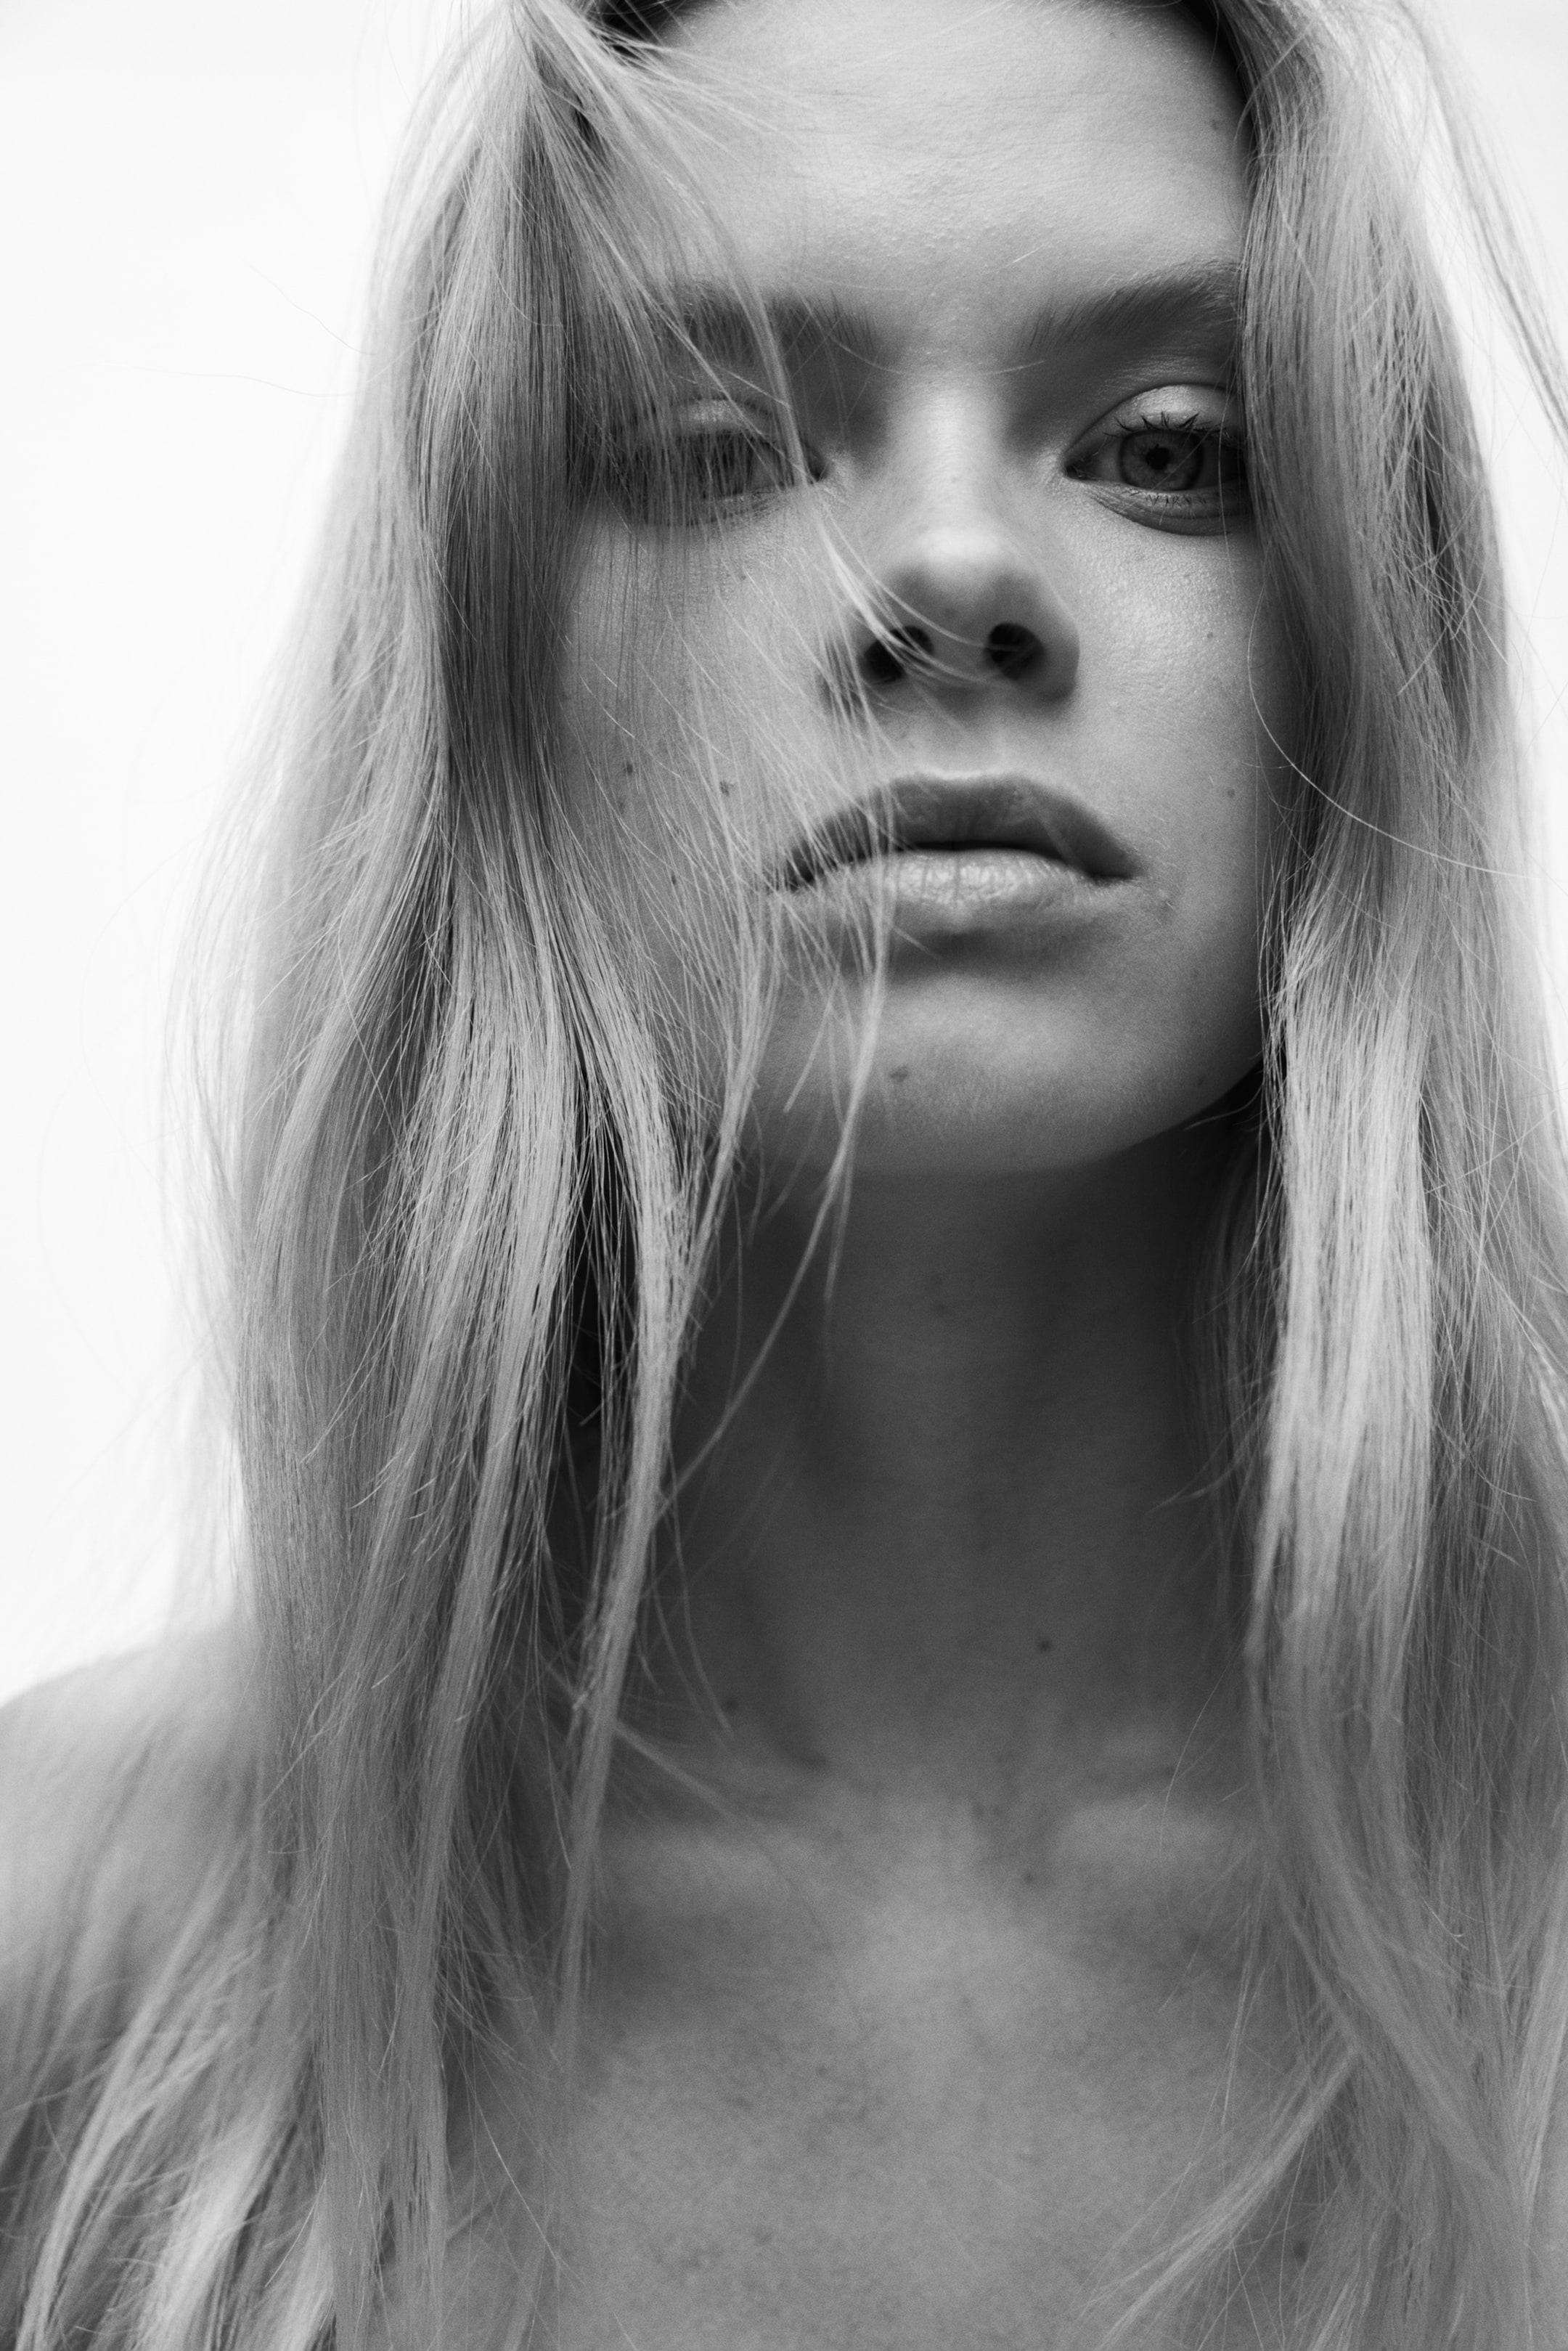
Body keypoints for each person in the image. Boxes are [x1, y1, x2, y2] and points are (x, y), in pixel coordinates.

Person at [4, 0, 1568, 2342]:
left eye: (1166, 447)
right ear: (495, 679)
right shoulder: (65, 1940)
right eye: (723, 446)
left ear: (1375, 633)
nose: (950, 571)